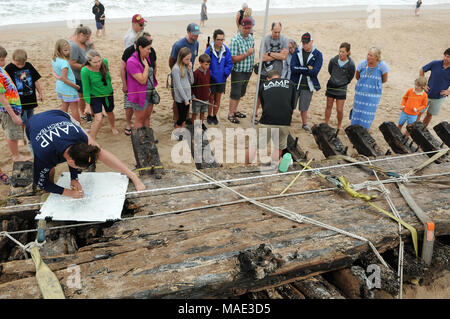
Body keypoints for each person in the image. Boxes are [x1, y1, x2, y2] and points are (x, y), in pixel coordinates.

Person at [25, 110, 145, 199]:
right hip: (32, 125)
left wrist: (74, 178)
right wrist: (68, 192)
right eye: (78, 168)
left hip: (59, 115)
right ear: (71, 162)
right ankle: (51, 192)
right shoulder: (45, 155)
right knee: (49, 171)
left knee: (98, 150)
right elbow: (41, 182)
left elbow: (97, 154)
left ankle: (132, 175)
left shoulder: (79, 136)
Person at [246, 70, 297, 164]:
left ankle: (245, 167)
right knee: (279, 147)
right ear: (280, 76)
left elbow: (263, 103)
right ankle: (273, 166)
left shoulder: (263, 85)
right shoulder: (291, 84)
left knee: (254, 145)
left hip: (267, 120)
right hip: (284, 121)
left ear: (267, 79)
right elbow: (293, 105)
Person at [121, 31, 157, 135]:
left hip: (149, 92)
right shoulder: (132, 61)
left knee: (147, 118)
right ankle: (140, 142)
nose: (150, 51)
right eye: (148, 49)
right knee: (140, 119)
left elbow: (152, 72)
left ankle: (147, 138)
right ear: (140, 48)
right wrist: (146, 67)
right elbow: (142, 80)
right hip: (139, 95)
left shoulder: (146, 57)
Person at [5, 49, 43, 145]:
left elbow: (35, 80)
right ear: (13, 59)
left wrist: (40, 93)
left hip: (30, 98)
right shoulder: (9, 69)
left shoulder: (28, 65)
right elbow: (6, 86)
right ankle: (22, 138)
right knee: (22, 120)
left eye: (23, 64)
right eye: (18, 64)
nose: (21, 66)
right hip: (19, 101)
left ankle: (30, 135)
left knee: (31, 119)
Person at [0, 46, 31, 162]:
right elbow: (1, 97)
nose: (4, 62)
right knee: (11, 133)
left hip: (10, 108)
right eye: (1, 59)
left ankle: (15, 153)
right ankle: (16, 156)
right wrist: (13, 115)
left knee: (10, 132)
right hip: (8, 110)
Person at [255, 22, 289, 123]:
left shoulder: (284, 40)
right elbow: (262, 57)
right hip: (264, 72)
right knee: (260, 94)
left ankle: (270, 115)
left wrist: (269, 53)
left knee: (274, 95)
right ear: (271, 30)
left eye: (279, 32)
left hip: (277, 73)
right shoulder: (265, 39)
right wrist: (277, 54)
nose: (277, 34)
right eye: (275, 32)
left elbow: (284, 57)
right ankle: (255, 114)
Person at [81, 50, 118, 140]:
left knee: (110, 112)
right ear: (89, 61)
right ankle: (92, 138)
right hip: (95, 96)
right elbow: (86, 89)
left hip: (108, 93)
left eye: (99, 61)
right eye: (95, 62)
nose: (98, 64)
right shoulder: (85, 71)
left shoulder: (104, 62)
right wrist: (87, 105)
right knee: (98, 118)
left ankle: (113, 127)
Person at [290, 32, 323, 133]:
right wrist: (306, 68)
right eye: (303, 43)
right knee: (291, 104)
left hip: (308, 84)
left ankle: (304, 124)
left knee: (304, 106)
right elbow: (293, 68)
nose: (304, 45)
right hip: (295, 82)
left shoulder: (318, 54)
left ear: (311, 42)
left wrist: (301, 69)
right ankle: (287, 121)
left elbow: (315, 71)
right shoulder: (297, 51)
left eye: (307, 43)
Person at [169, 23, 201, 124]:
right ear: (188, 32)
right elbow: (171, 60)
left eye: (197, 34)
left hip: (188, 74)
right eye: (194, 34)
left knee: (187, 97)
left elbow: (194, 59)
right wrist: (177, 73)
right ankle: (176, 118)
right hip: (178, 74)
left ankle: (185, 117)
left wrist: (189, 72)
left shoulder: (196, 43)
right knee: (177, 98)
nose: (196, 36)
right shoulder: (178, 45)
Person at [351, 47, 389, 130]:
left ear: (376, 57)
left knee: (367, 114)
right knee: (357, 111)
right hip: (360, 93)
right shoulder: (362, 64)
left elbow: (384, 80)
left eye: (371, 55)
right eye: (368, 54)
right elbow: (357, 76)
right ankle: (354, 130)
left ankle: (363, 131)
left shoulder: (382, 66)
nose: (368, 57)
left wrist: (373, 84)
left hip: (373, 96)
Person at [228, 17, 254, 124]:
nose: (247, 30)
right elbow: (233, 59)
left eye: (249, 28)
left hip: (248, 70)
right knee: (235, 93)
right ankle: (230, 114)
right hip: (238, 71)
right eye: (245, 28)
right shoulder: (235, 40)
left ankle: (235, 110)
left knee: (241, 93)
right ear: (240, 27)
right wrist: (246, 54)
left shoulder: (251, 38)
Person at [324, 42, 356, 130]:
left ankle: (339, 125)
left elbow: (350, 76)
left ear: (348, 53)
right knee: (329, 106)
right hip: (331, 86)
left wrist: (343, 82)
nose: (340, 54)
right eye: (340, 51)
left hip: (341, 88)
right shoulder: (333, 60)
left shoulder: (351, 64)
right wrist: (334, 80)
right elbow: (330, 70)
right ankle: (326, 123)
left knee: (339, 109)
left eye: (343, 52)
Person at [205, 29, 233, 125]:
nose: (220, 42)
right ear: (214, 39)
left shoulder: (226, 50)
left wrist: (225, 73)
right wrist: (212, 75)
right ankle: (209, 115)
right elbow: (205, 64)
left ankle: (214, 115)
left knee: (218, 98)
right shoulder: (209, 50)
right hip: (212, 79)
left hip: (222, 79)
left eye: (222, 40)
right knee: (211, 98)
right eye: (218, 39)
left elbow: (229, 63)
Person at [418, 48, 450, 127]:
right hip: (426, 94)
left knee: (429, 115)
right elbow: (422, 69)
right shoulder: (435, 63)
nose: (445, 58)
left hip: (439, 98)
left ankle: (422, 130)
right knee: (418, 112)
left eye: (448, 57)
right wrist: (423, 84)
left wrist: (449, 91)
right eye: (445, 56)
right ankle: (411, 130)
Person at [52, 39, 81, 123]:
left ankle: (61, 123)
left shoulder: (54, 59)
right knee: (74, 109)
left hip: (60, 87)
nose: (68, 52)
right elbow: (65, 79)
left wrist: (58, 77)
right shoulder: (64, 63)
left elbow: (53, 72)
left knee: (64, 106)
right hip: (68, 88)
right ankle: (79, 128)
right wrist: (75, 86)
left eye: (68, 50)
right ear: (59, 50)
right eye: (65, 50)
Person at [70, 24, 94, 123]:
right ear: (80, 34)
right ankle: (85, 114)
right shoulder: (74, 46)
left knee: (91, 93)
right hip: (78, 75)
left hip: (89, 74)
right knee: (82, 95)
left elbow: (94, 54)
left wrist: (91, 45)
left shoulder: (86, 43)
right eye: (87, 37)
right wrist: (85, 68)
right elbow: (72, 63)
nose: (88, 39)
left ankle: (92, 111)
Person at [171, 47, 194, 140]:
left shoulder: (186, 66)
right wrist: (185, 99)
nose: (189, 61)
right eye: (187, 59)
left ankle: (182, 132)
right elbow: (178, 86)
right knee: (181, 117)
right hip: (181, 97)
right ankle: (177, 132)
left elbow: (191, 81)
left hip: (187, 96)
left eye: (190, 59)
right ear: (181, 58)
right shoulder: (176, 68)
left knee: (184, 116)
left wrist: (190, 70)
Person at [192, 54, 211, 131]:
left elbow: (208, 81)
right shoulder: (196, 73)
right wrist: (192, 95)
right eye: (206, 64)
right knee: (195, 113)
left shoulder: (208, 71)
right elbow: (192, 86)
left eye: (208, 64)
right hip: (197, 98)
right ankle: (194, 126)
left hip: (205, 97)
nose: (207, 66)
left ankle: (201, 124)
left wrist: (208, 90)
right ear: (200, 63)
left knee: (203, 112)